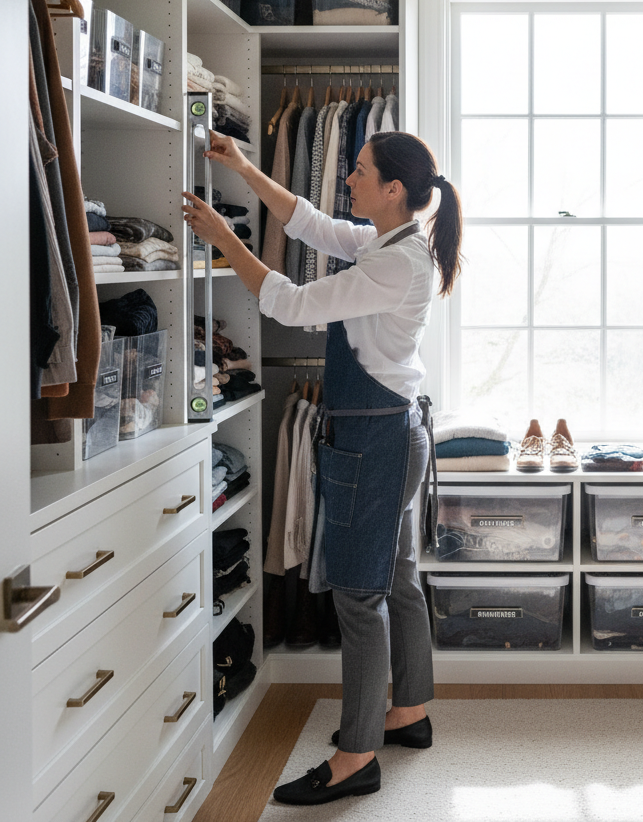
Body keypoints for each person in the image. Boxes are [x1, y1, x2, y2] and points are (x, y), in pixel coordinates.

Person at [183, 129, 462, 807]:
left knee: (359, 599)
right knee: (397, 577)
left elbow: (291, 304)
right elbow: (309, 224)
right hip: (391, 430)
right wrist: (242, 166)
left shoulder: (397, 264)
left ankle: (355, 755)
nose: (349, 179)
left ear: (392, 189)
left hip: (373, 440)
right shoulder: (389, 242)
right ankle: (408, 711)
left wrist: (225, 238)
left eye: (359, 171)